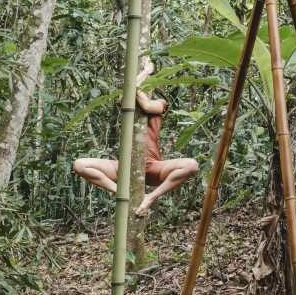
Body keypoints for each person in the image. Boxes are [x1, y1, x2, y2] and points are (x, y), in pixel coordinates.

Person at [71, 59, 200, 217]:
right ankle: (120, 192)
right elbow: (127, 95)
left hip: (151, 166)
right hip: (125, 165)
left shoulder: (161, 103)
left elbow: (146, 105)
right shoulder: (126, 102)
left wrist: (146, 72)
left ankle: (149, 198)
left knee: (191, 165)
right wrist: (144, 72)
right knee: (80, 165)